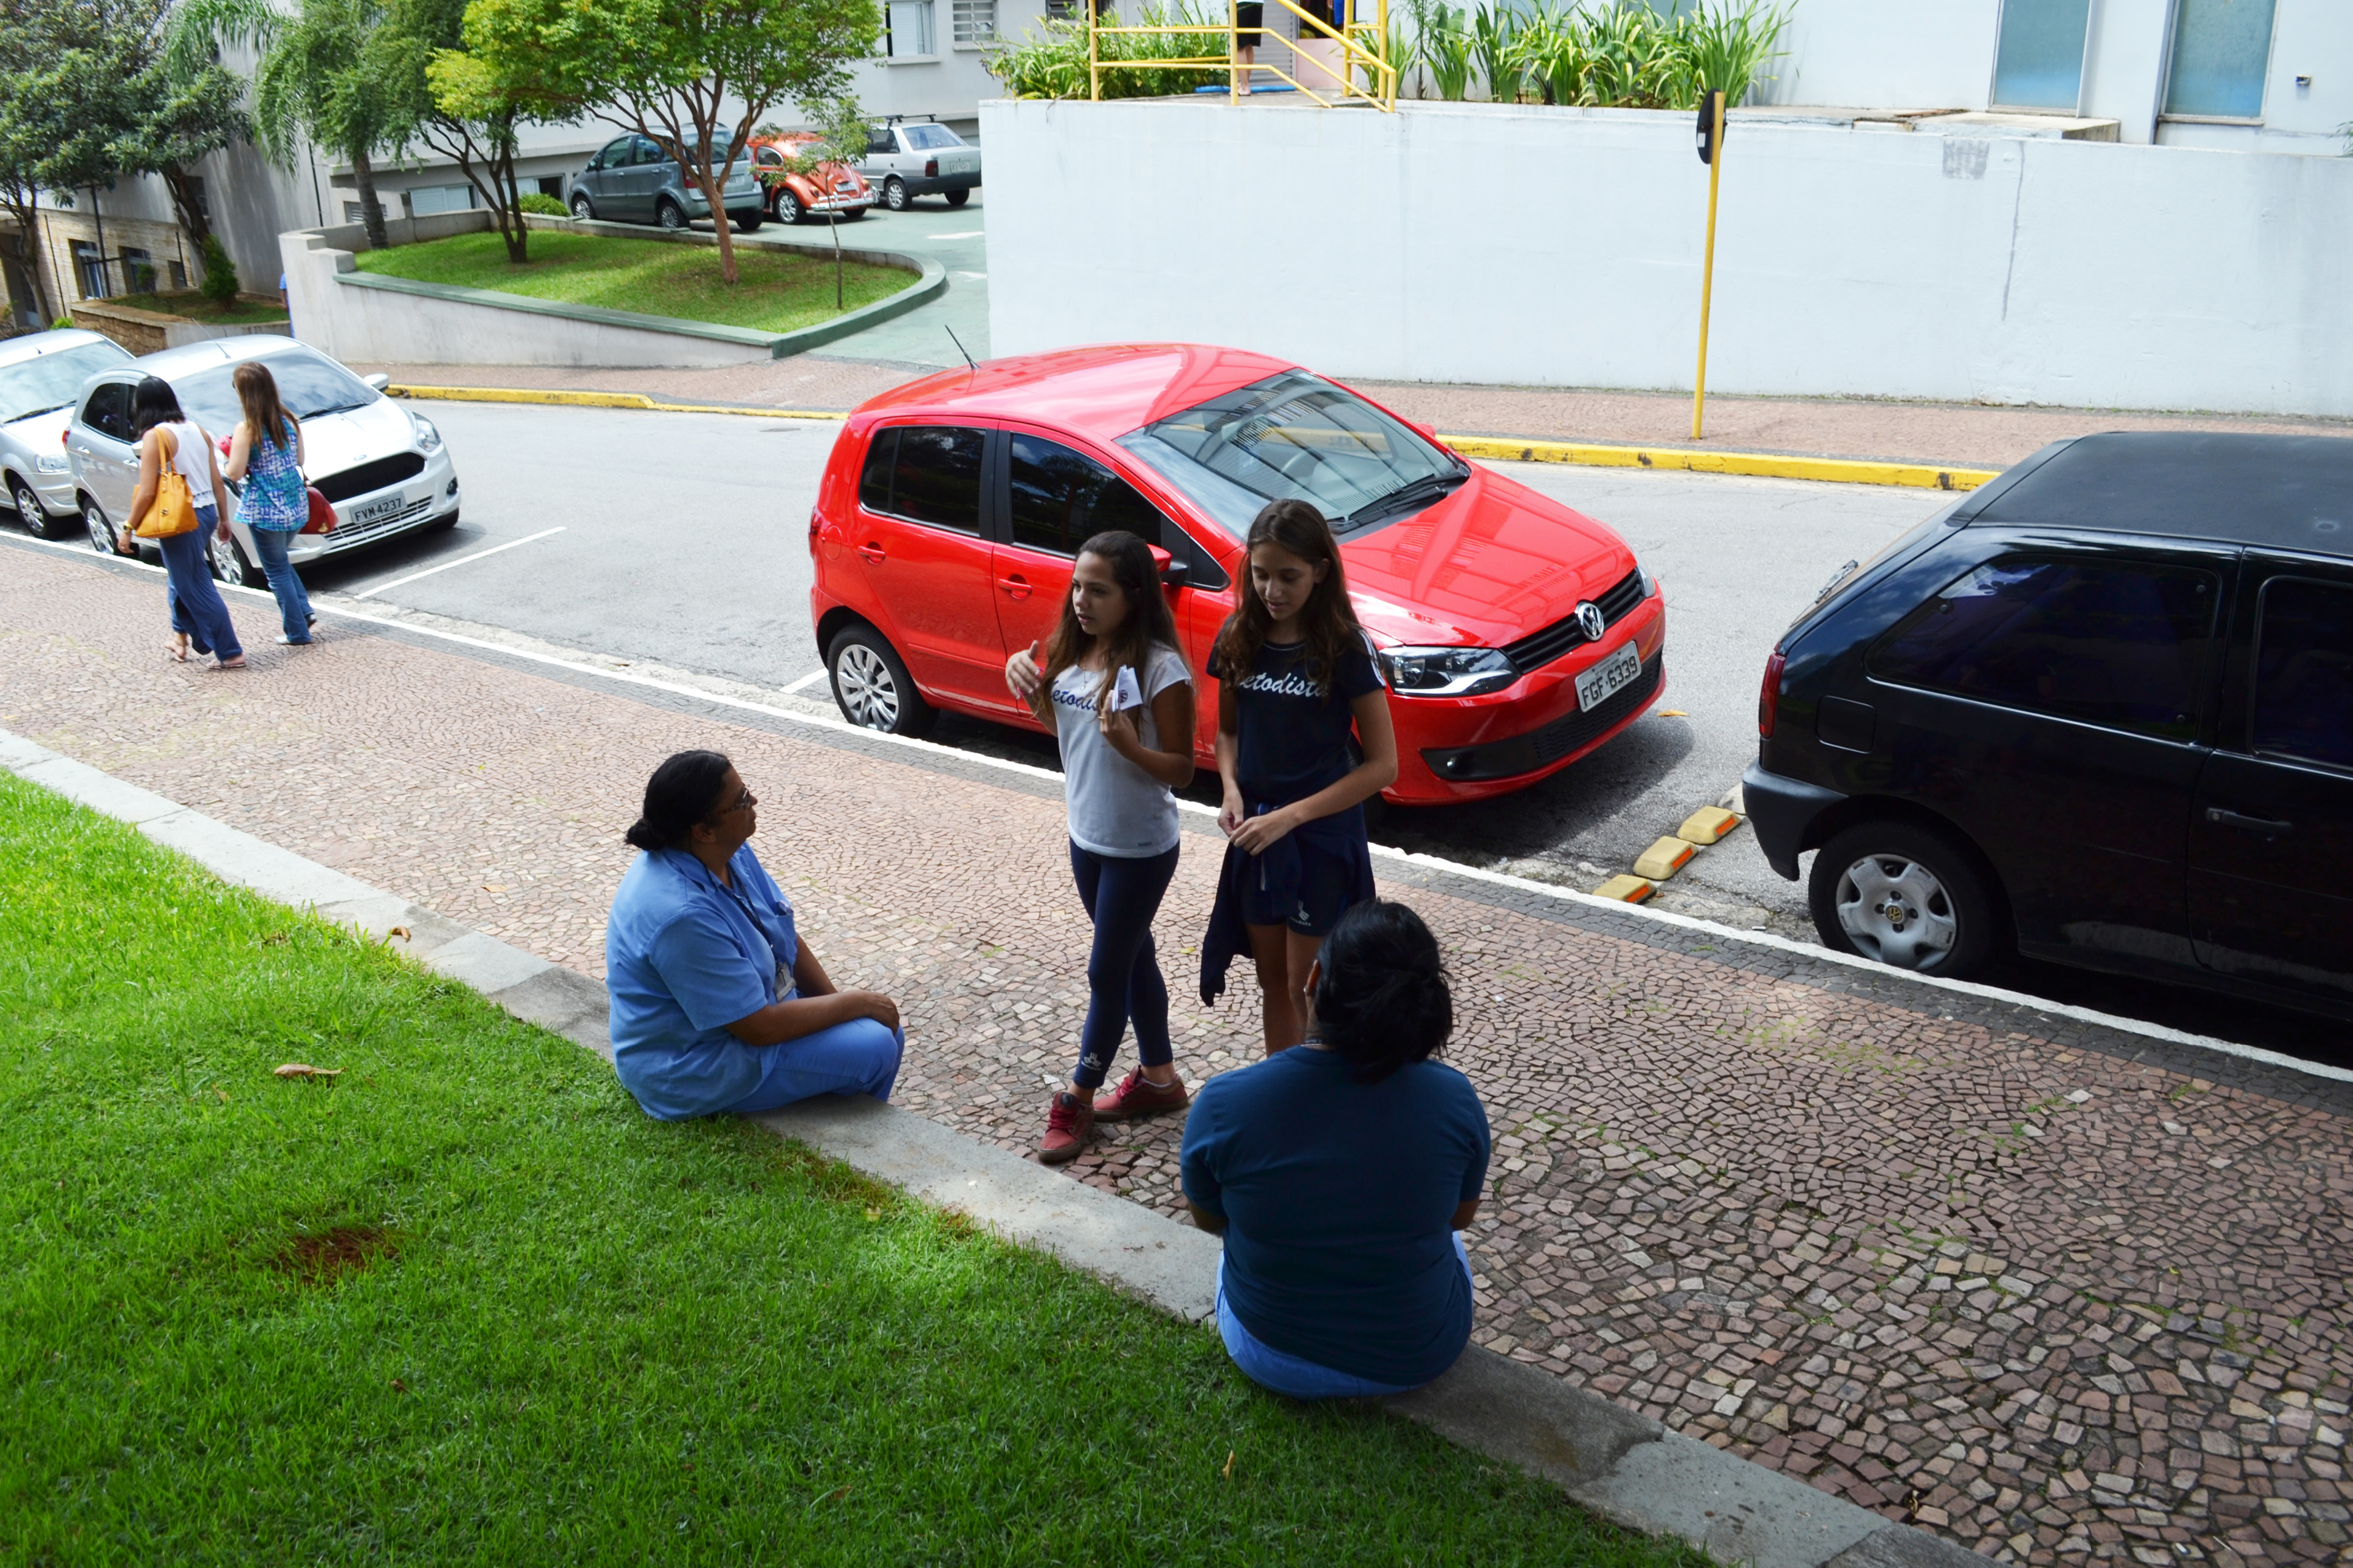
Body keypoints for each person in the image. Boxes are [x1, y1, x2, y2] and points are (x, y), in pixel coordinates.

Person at [1181, 899, 1489, 1400]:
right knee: (1446, 1244)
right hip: (1417, 1353)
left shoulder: (1225, 1103)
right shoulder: (1454, 1099)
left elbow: (1210, 1219)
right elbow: (1459, 1219)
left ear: (1315, 976)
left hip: (1269, 1352)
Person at [1003, 530, 1198, 1164]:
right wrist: (1027, 687)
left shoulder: (1160, 668)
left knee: (1105, 971)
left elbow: (1180, 770)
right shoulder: (1071, 647)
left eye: (1098, 590)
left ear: (1133, 595)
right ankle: (1160, 1080)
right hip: (1085, 835)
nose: (1081, 600)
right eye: (1077, 586)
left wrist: (1130, 746)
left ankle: (1078, 1095)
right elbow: (1061, 724)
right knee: (1132, 958)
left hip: (1139, 846)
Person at [605, 750, 904, 1120]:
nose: (754, 802)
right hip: (694, 1064)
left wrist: (844, 1008)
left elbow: (784, 934)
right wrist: (855, 1004)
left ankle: (839, 1098)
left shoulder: (729, 853)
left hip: (748, 1020)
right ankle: (852, 1139)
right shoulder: (681, 916)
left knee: (881, 1029)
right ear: (703, 830)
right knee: (875, 1045)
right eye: (741, 800)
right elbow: (758, 1028)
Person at [1200, 498, 1397, 1052]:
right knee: (1270, 983)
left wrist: (1290, 817)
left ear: (1320, 572)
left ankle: (1323, 1099)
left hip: (1320, 835)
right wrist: (1232, 788)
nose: (1272, 590)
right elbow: (1228, 734)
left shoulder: (1344, 647)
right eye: (1260, 575)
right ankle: (1282, 1095)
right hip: (1259, 833)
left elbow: (1384, 766)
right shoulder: (1239, 633)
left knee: (1306, 984)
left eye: (1289, 576)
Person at [115, 376, 243, 671]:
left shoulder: (155, 437)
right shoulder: (197, 430)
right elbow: (216, 480)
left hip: (181, 518)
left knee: (196, 585)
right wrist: (223, 518)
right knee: (180, 577)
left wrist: (127, 528)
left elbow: (147, 491)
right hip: (206, 511)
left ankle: (230, 651)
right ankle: (180, 638)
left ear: (142, 407)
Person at [221, 361, 317, 646]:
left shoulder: (247, 429)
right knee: (281, 563)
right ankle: (304, 611)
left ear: (244, 393)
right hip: (295, 505)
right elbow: (299, 460)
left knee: (275, 571)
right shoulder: (288, 419)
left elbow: (235, 472)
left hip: (266, 509)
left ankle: (297, 631)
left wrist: (228, 460)